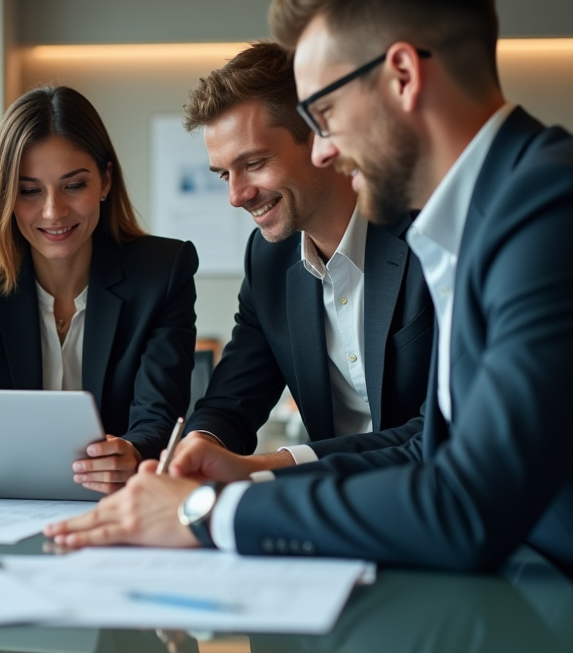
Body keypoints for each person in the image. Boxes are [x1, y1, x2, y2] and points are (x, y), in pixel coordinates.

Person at [46, 0, 573, 617]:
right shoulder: (491, 212)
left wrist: (208, 512)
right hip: (547, 596)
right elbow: (432, 448)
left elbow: (464, 506)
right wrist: (239, 480)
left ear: (401, 75)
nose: (327, 148)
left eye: (325, 115)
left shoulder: (559, 209)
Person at [0, 85, 198, 494]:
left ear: (104, 180)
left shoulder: (162, 272)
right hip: (1, 508)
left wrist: (133, 453)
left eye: (73, 185)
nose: (54, 211)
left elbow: (157, 421)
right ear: (6, 196)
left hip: (115, 505)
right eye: (29, 191)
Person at [182, 41, 431, 472]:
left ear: (320, 138)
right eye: (225, 174)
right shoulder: (267, 260)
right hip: (329, 512)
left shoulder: (429, 234)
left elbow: (443, 430)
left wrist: (274, 465)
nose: (236, 196)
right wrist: (198, 445)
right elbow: (231, 401)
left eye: (254, 163)